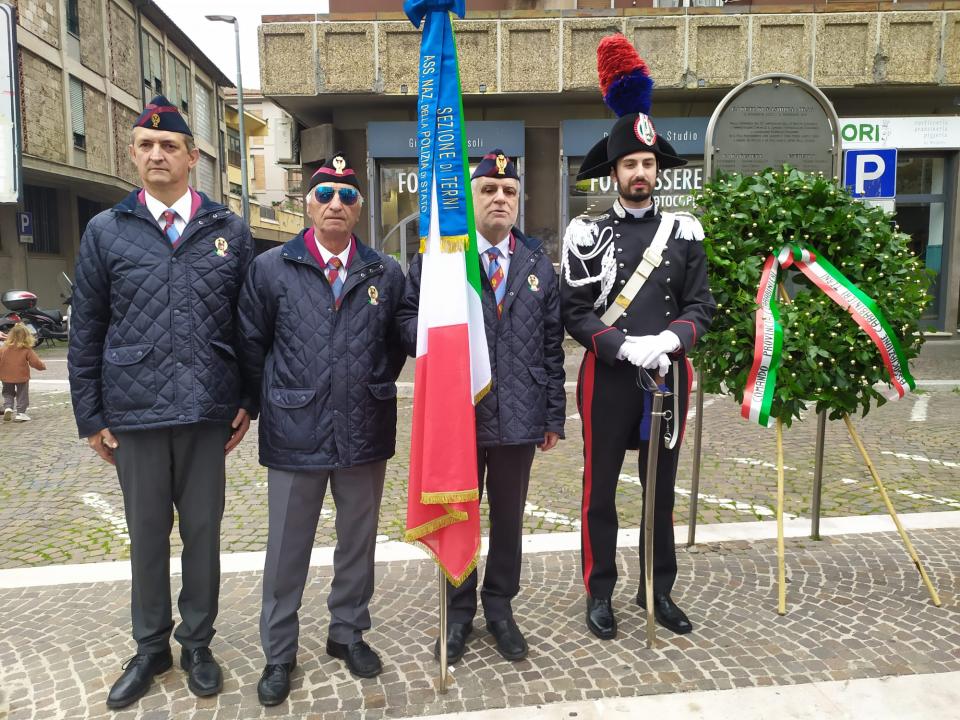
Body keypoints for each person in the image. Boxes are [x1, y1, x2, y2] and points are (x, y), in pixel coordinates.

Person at [68, 96, 255, 709]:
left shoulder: (228, 230)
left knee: (204, 534)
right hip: (135, 414)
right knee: (146, 537)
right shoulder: (106, 231)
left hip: (206, 412)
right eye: (146, 145)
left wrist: (246, 399)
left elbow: (247, 325)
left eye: (168, 146)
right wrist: (91, 417)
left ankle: (197, 642)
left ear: (191, 156)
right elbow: (87, 328)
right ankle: (150, 647)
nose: (157, 155)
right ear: (132, 154)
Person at [560, 36, 715, 641]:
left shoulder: (684, 233)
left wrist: (671, 341)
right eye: (631, 165)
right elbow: (574, 311)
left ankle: (659, 588)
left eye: (649, 164)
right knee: (600, 491)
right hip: (610, 376)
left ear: (658, 170)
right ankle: (599, 592)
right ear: (614, 172)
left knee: (661, 490)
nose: (641, 174)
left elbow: (703, 306)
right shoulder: (585, 232)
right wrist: (620, 343)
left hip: (668, 376)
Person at [238, 154, 406, 706]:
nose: (336, 203)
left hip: (364, 426)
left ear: (360, 209)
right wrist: (277, 399)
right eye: (326, 194)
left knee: (357, 542)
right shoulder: (271, 268)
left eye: (348, 196)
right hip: (294, 429)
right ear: (307, 203)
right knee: (287, 548)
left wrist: (366, 385)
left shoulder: (386, 271)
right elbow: (251, 345)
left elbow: (393, 348)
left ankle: (347, 632)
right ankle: (279, 652)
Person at [399, 150, 566, 664]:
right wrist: (434, 331)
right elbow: (408, 323)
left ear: (519, 200)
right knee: (459, 512)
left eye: (509, 191)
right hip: (460, 416)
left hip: (520, 414)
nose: (500, 198)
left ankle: (499, 609)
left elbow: (551, 344)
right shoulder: (441, 258)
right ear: (470, 201)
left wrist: (553, 414)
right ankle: (457, 613)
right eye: (489, 190)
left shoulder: (538, 261)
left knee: (510, 519)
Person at [0, 323, 46, 421]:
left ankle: (8, 407)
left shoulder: (3, 348)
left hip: (5, 376)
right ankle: (21, 413)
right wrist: (42, 366)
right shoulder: (26, 350)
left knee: (8, 392)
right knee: (22, 394)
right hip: (21, 376)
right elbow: (35, 362)